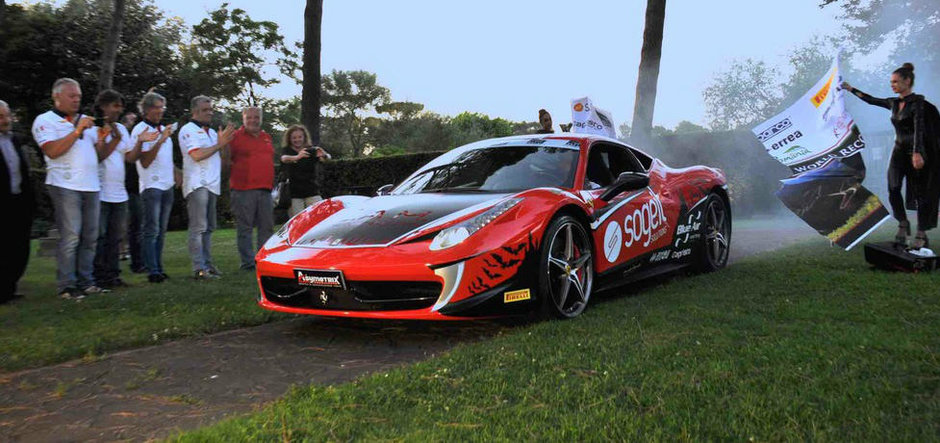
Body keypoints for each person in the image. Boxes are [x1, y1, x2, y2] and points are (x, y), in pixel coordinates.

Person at [844, 62, 940, 249]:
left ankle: (921, 232)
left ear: (907, 81)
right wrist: (850, 89)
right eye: (891, 82)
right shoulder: (893, 103)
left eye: (896, 81)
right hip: (898, 151)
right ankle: (903, 223)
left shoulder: (919, 104)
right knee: (893, 187)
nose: (892, 85)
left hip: (917, 151)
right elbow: (871, 100)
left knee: (922, 193)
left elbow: (920, 128)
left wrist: (918, 152)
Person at [31, 78, 110, 299]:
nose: (77, 99)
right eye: (72, 96)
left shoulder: (85, 121)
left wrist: (102, 140)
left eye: (79, 96)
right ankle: (66, 285)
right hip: (65, 185)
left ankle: (87, 282)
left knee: (90, 236)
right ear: (56, 97)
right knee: (71, 236)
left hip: (91, 185)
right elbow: (52, 151)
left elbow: (98, 156)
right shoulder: (45, 121)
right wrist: (76, 131)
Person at [178, 96, 234, 279]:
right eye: (205, 110)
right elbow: (197, 155)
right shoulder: (188, 130)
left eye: (211, 109)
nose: (210, 112)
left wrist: (223, 144)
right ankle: (199, 268)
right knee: (198, 228)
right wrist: (220, 143)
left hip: (212, 186)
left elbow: (223, 157)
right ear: (194, 111)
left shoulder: (211, 133)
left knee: (209, 228)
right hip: (197, 185)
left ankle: (208, 265)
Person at [130, 92, 177, 283]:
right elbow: (146, 162)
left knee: (161, 229)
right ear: (148, 109)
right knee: (151, 230)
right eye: (158, 107)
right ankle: (152, 270)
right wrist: (160, 140)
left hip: (167, 185)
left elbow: (166, 160)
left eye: (162, 107)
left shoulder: (163, 129)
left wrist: (176, 174)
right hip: (151, 185)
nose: (161, 111)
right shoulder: (140, 130)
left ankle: (159, 266)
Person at [91, 90, 133, 289]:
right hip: (99, 190)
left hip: (119, 192)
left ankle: (113, 275)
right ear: (104, 106)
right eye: (115, 106)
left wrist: (142, 142)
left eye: (120, 106)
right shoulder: (93, 128)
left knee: (116, 237)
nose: (119, 110)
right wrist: (113, 138)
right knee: (99, 236)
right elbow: (99, 156)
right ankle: (98, 276)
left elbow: (129, 157)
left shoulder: (122, 130)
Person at [228, 106, 275, 270]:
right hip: (243, 189)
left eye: (256, 117)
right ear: (243, 119)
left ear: (261, 119)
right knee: (245, 228)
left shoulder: (266, 137)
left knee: (266, 227)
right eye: (249, 117)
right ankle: (247, 263)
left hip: (265, 189)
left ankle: (263, 261)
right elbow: (226, 160)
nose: (253, 120)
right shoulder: (235, 137)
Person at [0, 100, 35, 303]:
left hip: (18, 200)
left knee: (19, 246)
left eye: (7, 115)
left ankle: (10, 286)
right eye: (1, 117)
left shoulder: (14, 140)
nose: (6, 120)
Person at [280, 124, 331, 217]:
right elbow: (284, 158)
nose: (297, 140)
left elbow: (327, 158)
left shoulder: (311, 150)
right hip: (294, 193)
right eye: (294, 138)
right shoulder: (287, 150)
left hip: (312, 190)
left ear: (304, 137)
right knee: (297, 221)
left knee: (319, 216)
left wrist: (324, 155)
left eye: (300, 137)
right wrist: (297, 157)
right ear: (289, 139)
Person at [121, 111, 146, 273]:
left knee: (141, 226)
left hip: (140, 185)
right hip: (130, 187)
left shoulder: (137, 135)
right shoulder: (125, 138)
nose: (134, 121)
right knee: (136, 226)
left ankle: (141, 260)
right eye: (130, 119)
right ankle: (137, 263)